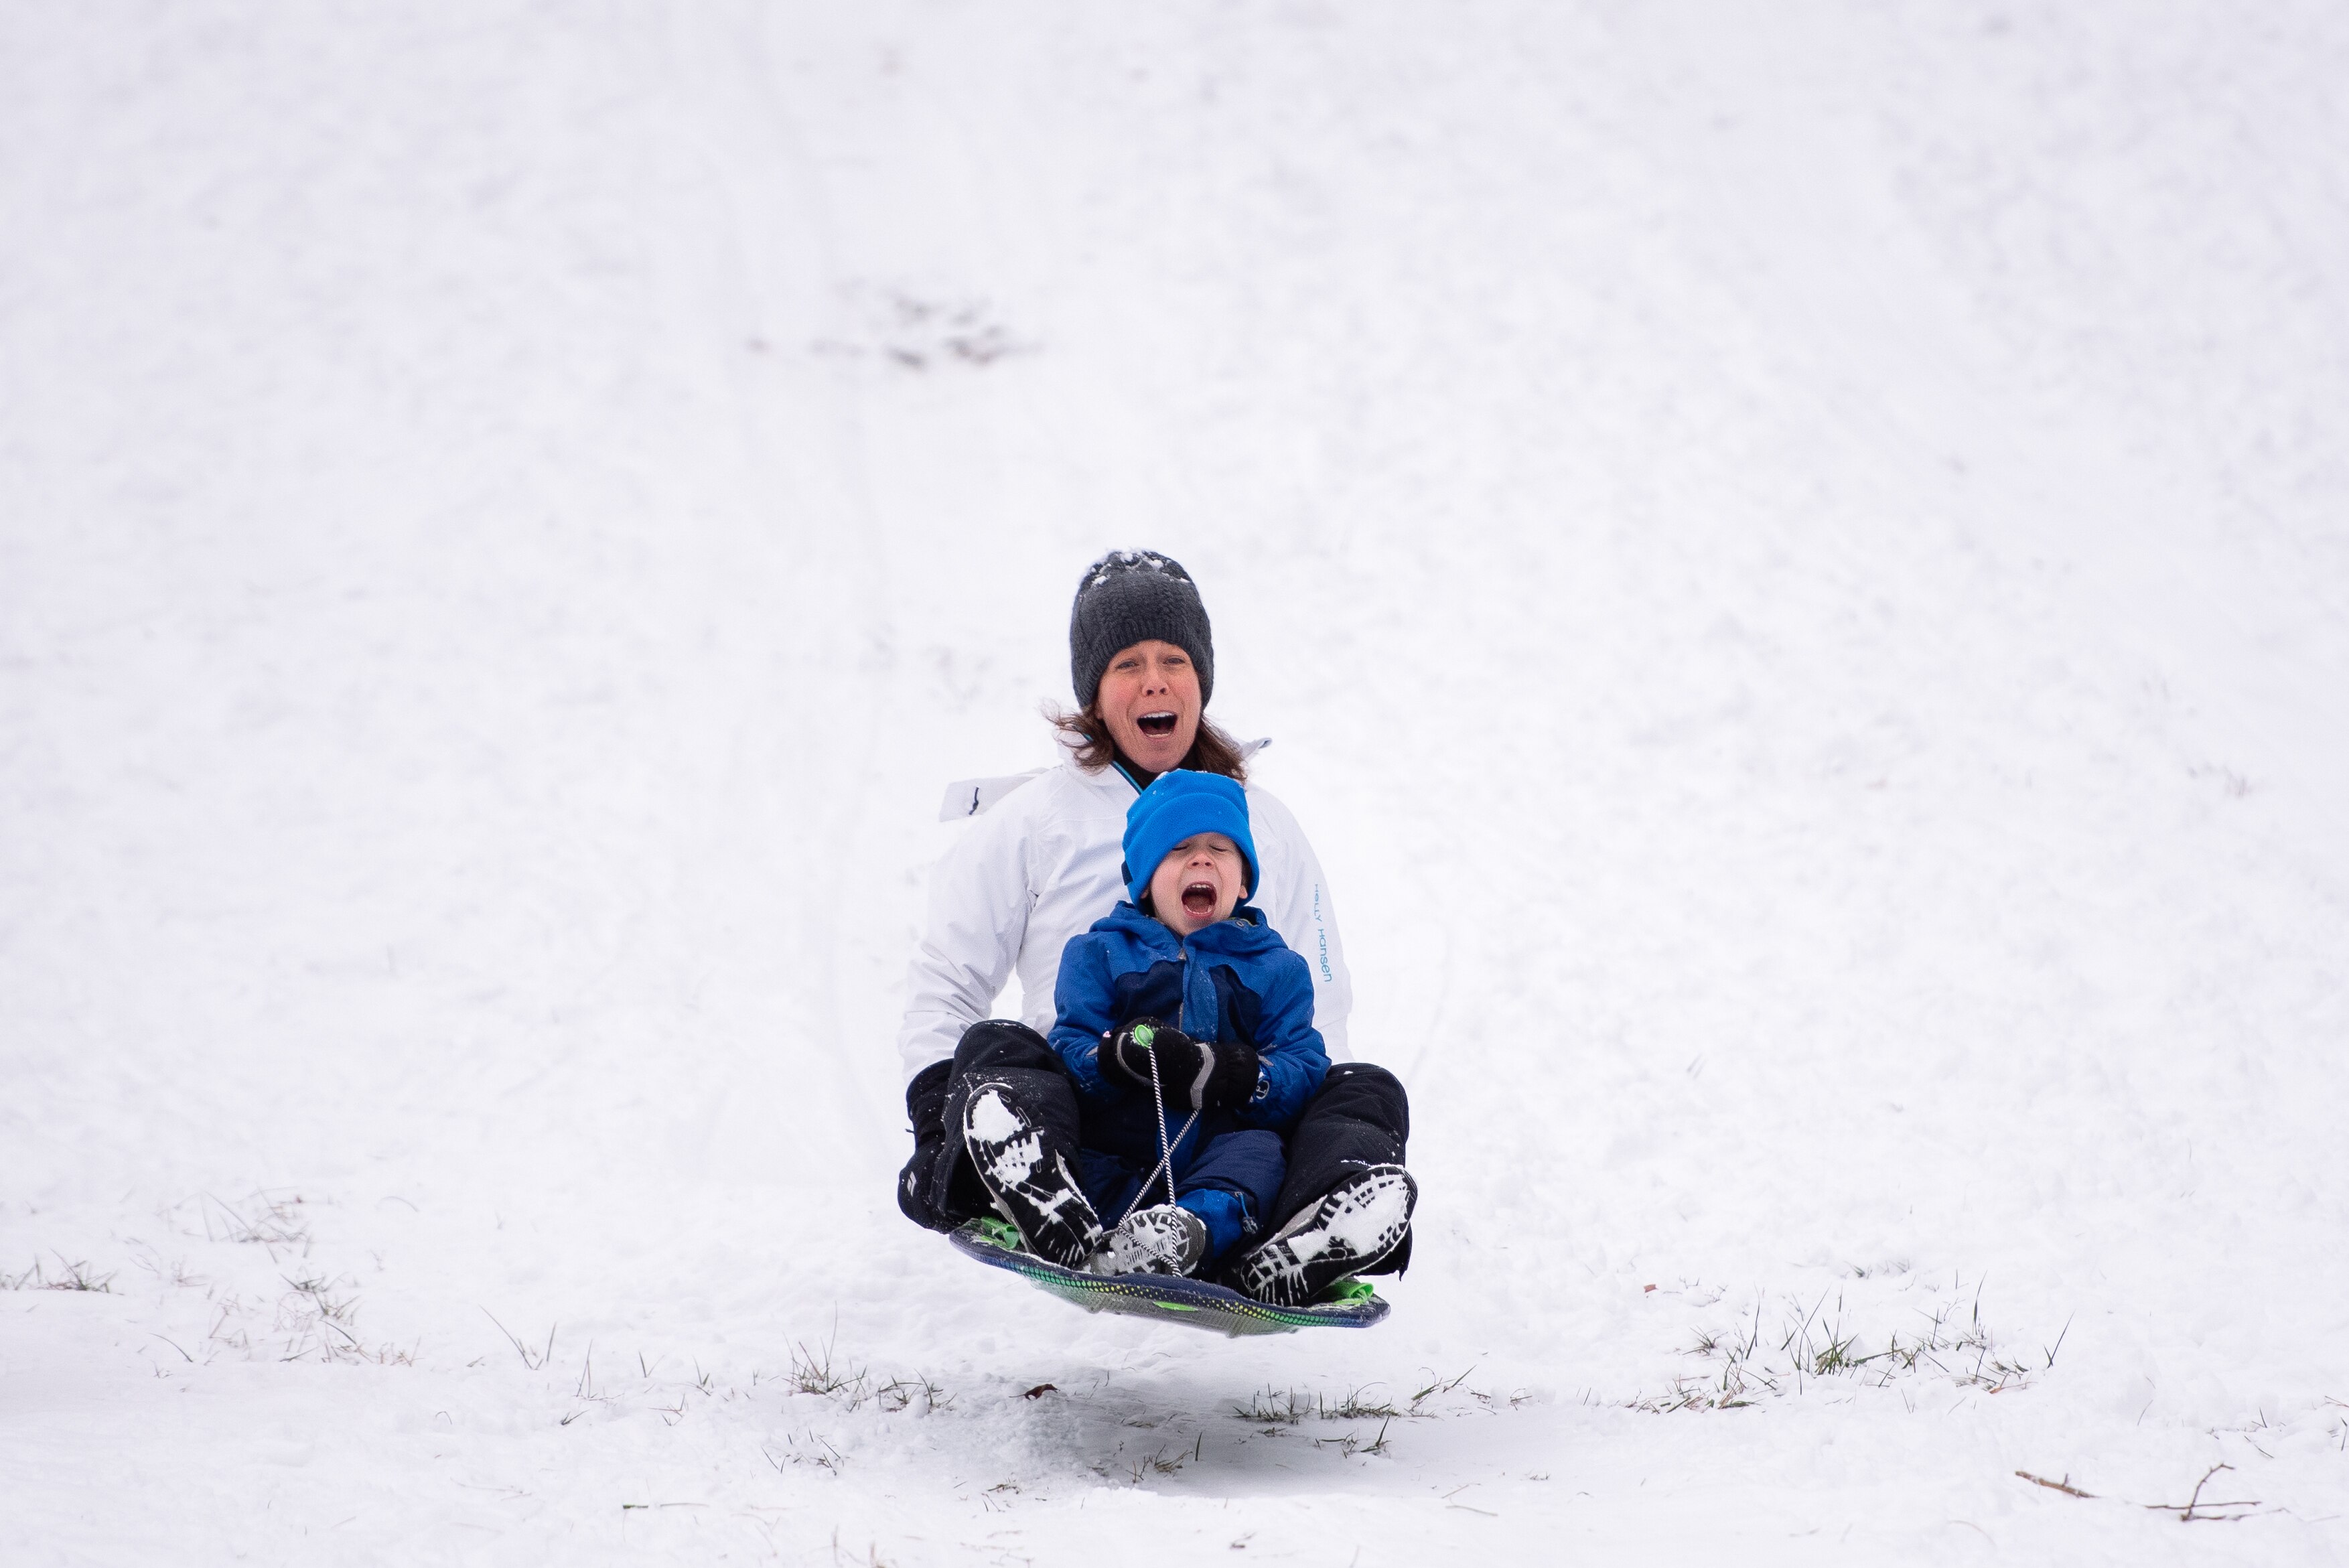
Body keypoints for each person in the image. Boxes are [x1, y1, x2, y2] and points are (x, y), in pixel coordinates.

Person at [895, 549, 1416, 1303]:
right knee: (1002, 1050)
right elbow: (947, 982)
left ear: (1201, 678)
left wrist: (1273, 1095)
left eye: (1175, 658)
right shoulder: (1035, 821)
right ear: (1094, 693)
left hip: (1237, 1122)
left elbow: (1318, 1009)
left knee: (1365, 1090)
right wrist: (935, 1122)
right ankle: (1038, 1189)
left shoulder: (1265, 824)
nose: (1155, 680)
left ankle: (1304, 1233)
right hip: (1089, 1113)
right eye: (1126, 664)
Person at [962, 769, 1350, 1284]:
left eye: (1222, 848)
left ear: (1244, 880)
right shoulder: (1099, 952)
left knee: (1259, 1153)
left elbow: (1301, 1066)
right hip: (1120, 1139)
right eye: (1179, 848)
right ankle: (1058, 1208)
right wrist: (1111, 1058)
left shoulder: (1277, 969)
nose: (1202, 857)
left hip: (1219, 1147)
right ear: (1144, 880)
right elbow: (1070, 1046)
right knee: (1053, 1106)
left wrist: (1232, 1072)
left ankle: (1186, 1235)